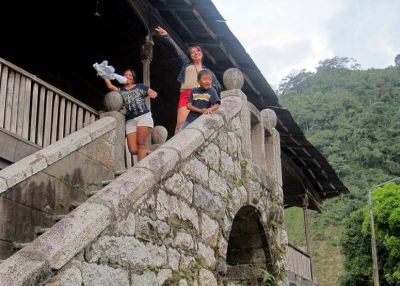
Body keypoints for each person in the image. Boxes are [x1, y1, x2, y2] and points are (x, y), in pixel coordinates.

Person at [155, 26, 222, 134]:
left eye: (197, 51)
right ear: (190, 56)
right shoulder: (187, 64)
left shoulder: (208, 72)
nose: (196, 53)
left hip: (202, 97)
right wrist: (167, 36)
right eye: (192, 52)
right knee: (181, 124)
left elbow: (218, 87)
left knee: (196, 126)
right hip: (187, 96)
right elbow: (177, 50)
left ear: (202, 53)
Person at [103, 68, 157, 161]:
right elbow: (110, 86)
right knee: (132, 149)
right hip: (130, 120)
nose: (127, 76)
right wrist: (103, 74)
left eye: (130, 75)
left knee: (141, 143)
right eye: (125, 75)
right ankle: (147, 152)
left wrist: (153, 94)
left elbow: (152, 92)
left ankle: (140, 171)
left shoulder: (140, 86)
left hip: (143, 116)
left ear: (133, 78)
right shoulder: (121, 90)